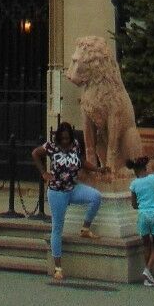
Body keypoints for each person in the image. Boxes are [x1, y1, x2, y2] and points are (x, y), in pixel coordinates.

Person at [32, 120, 101, 282]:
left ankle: (85, 228)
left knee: (96, 197)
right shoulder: (51, 146)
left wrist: (98, 169)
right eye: (62, 138)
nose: (65, 141)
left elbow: (82, 162)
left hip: (73, 188)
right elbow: (35, 153)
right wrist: (43, 173)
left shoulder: (75, 144)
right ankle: (58, 267)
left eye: (67, 138)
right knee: (57, 227)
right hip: (57, 192)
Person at [128, 155, 154, 286]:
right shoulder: (153, 178)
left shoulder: (134, 184)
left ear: (135, 171)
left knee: (146, 244)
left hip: (142, 215)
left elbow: (134, 205)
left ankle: (148, 277)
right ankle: (148, 270)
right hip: (153, 213)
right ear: (145, 168)